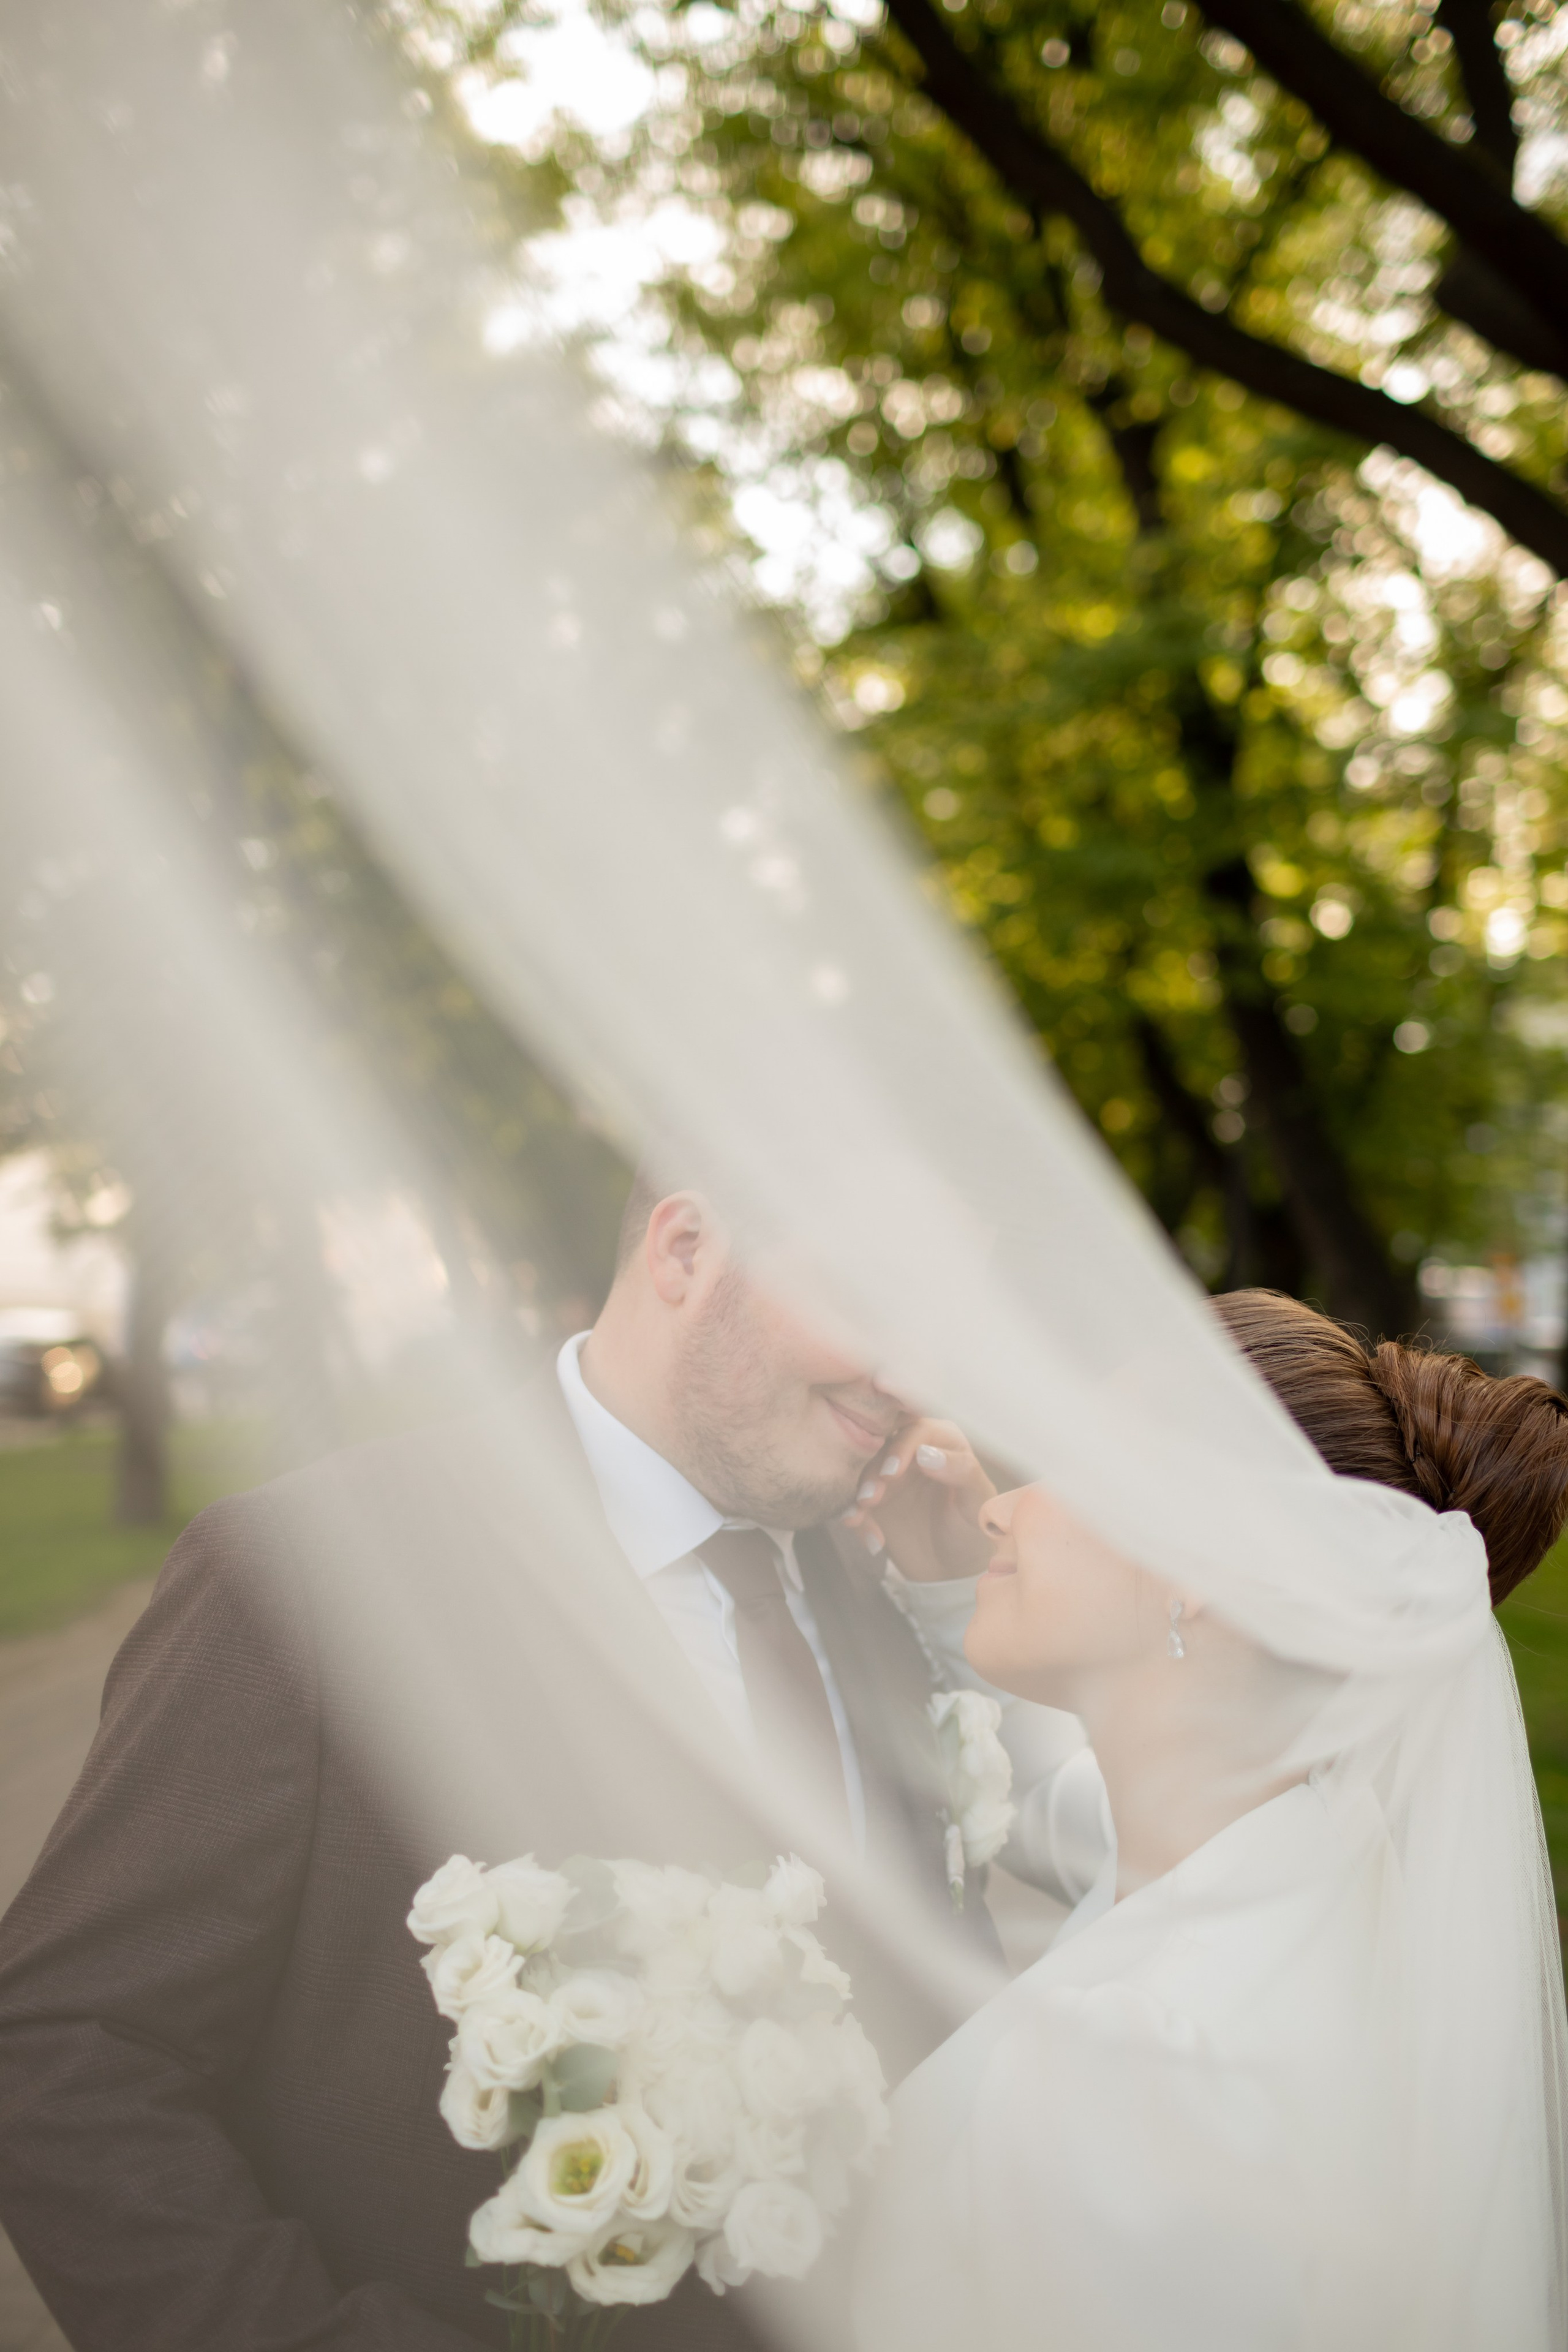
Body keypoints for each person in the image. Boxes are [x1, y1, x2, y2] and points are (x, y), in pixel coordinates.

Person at [0, 1178, 1079, 2352]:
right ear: (685, 1250)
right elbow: (65, 2049)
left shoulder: (892, 1581)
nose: (915, 1376)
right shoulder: (307, 1575)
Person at [853, 1289, 1568, 2352]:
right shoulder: (1316, 1855)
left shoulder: (1140, 2086)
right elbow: (1050, 1805)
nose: (1004, 1510)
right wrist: (967, 1588)